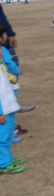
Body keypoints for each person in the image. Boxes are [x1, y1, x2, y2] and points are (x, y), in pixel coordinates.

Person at [0, 41, 22, 174]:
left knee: (8, 135)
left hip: (9, 105)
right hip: (3, 109)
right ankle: (3, 164)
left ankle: (7, 158)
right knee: (2, 138)